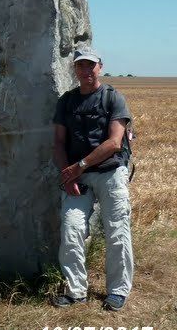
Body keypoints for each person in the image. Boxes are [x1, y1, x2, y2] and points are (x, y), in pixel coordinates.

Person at [53, 47, 134, 311]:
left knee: (117, 231)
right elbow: (58, 142)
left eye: (90, 65)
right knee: (71, 227)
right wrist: (68, 175)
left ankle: (117, 291)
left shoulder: (113, 98)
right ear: (74, 70)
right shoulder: (66, 101)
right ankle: (76, 291)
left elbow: (114, 142)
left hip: (110, 172)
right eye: (80, 66)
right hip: (78, 177)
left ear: (100, 66)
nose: (85, 70)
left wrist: (81, 165)